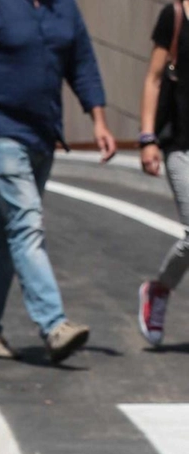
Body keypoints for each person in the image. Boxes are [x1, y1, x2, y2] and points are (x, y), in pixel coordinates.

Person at [0, 0, 115, 363]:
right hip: (1, 132)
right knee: (26, 224)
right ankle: (53, 324)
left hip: (43, 137)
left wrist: (98, 121)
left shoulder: (64, 9)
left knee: (7, 234)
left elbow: (82, 63)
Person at [137, 1, 189, 347]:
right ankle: (159, 290)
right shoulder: (174, 17)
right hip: (180, 145)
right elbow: (155, 79)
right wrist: (147, 138)